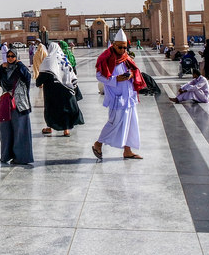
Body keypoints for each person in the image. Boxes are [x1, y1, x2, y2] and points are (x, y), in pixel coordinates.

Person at [91, 29, 143, 161]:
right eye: (120, 47)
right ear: (114, 45)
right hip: (117, 98)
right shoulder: (106, 58)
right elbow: (99, 76)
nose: (122, 50)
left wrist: (131, 74)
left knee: (131, 124)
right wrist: (115, 79)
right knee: (114, 123)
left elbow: (134, 70)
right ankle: (98, 144)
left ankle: (128, 150)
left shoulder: (126, 58)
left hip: (129, 97)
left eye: (125, 47)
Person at [0, 46, 34, 165]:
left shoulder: (21, 69)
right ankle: (6, 155)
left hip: (19, 105)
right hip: (6, 104)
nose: (10, 58)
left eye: (13, 56)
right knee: (5, 131)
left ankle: (21, 157)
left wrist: (19, 64)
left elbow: (28, 77)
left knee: (20, 131)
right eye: (8, 56)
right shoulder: (4, 70)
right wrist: (1, 67)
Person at [37, 41, 84, 137]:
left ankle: (49, 128)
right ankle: (66, 130)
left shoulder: (48, 60)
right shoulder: (64, 59)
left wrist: (38, 82)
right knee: (65, 110)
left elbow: (42, 76)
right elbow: (72, 74)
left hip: (52, 92)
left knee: (51, 110)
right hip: (66, 90)